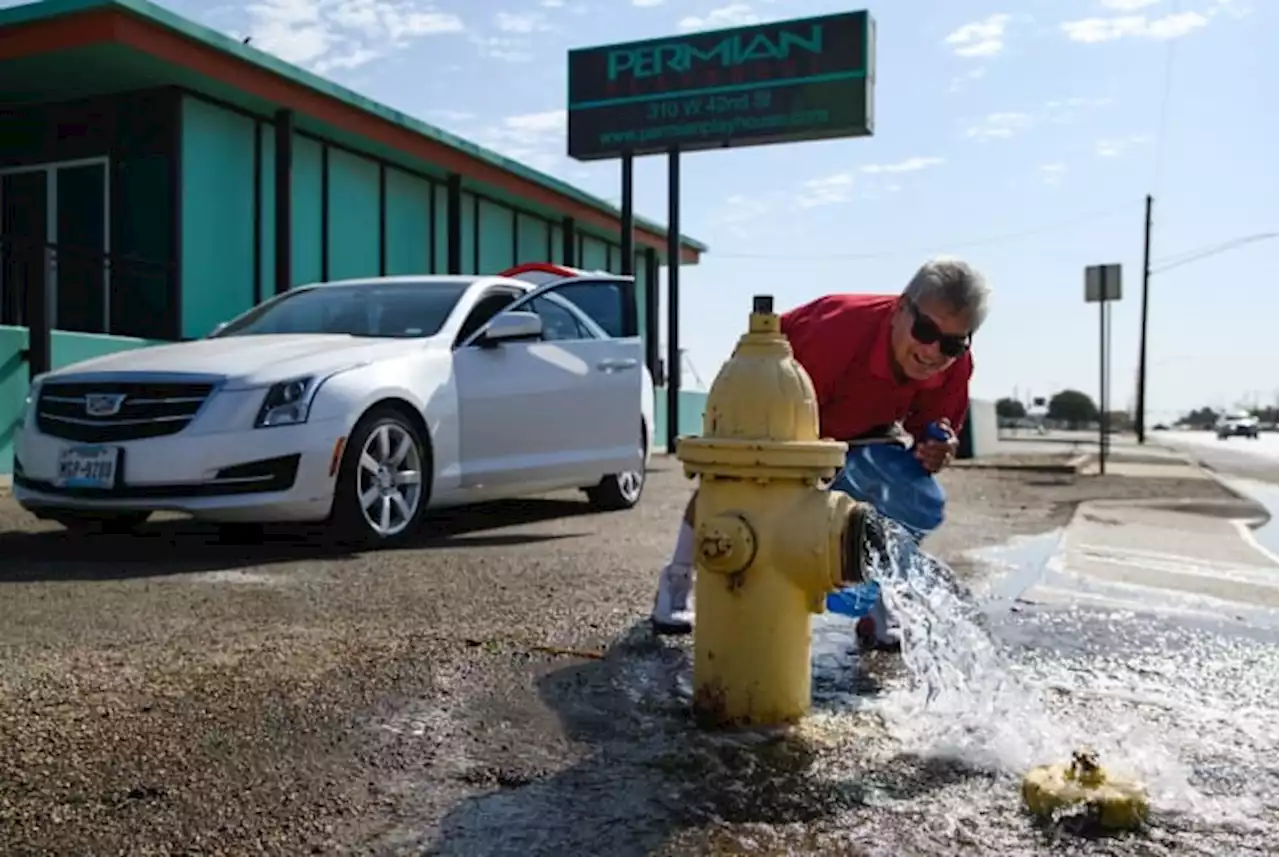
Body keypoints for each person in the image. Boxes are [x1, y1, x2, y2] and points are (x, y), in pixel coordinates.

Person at [650, 257, 990, 647]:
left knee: (907, 492)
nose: (933, 351)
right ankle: (677, 581)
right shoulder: (836, 332)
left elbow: (931, 437)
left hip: (860, 424)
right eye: (926, 330)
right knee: (737, 479)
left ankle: (877, 600)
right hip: (775, 389)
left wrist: (935, 451)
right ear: (900, 309)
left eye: (951, 343)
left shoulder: (955, 365)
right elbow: (784, 420)